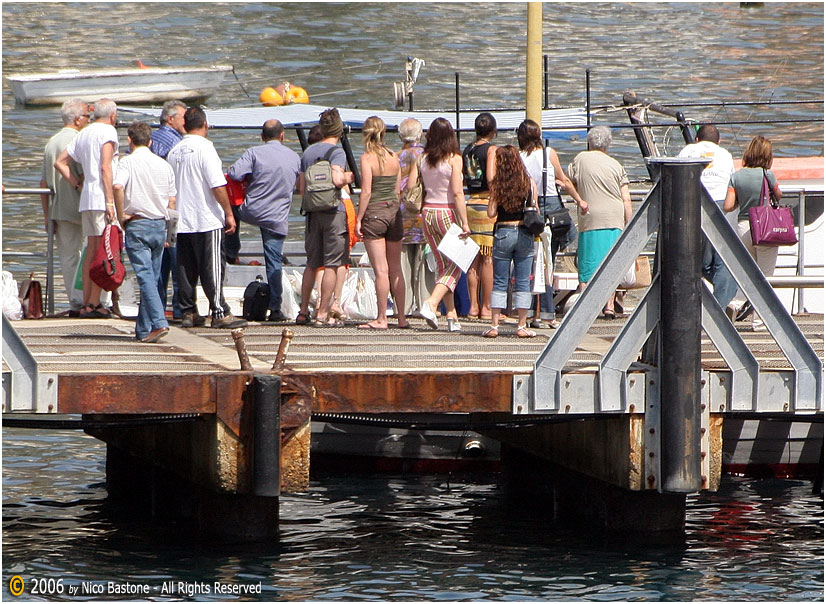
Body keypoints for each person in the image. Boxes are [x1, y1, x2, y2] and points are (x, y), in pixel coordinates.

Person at [166, 106, 247, 329]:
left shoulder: (175, 151)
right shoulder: (205, 148)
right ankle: (219, 311)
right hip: (205, 217)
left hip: (182, 219)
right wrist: (229, 213)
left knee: (185, 268)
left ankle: (188, 311)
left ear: (184, 125)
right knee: (212, 267)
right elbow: (217, 184)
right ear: (205, 125)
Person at [227, 119, 301, 322]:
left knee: (229, 208)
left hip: (251, 211)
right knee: (274, 261)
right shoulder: (294, 157)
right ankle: (275, 308)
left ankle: (231, 250)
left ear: (262, 136)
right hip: (276, 217)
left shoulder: (254, 153)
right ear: (282, 135)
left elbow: (234, 173)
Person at [517, 118, 587, 328]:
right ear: (538, 135)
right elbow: (564, 181)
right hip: (552, 210)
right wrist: (580, 200)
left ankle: (529, 313)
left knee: (529, 261)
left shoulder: (519, 157)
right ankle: (547, 314)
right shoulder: (549, 154)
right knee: (548, 260)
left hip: (529, 209)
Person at [54, 98, 120, 319]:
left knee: (92, 250)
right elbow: (105, 167)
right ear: (112, 115)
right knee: (104, 249)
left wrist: (77, 183)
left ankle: (86, 302)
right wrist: (110, 201)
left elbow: (60, 161)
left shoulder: (84, 133)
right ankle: (95, 303)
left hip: (87, 197)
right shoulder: (108, 133)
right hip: (101, 197)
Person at [113, 121, 176, 343]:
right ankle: (143, 330)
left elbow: (118, 187)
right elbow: (172, 200)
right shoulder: (164, 165)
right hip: (159, 224)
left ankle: (159, 323)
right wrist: (170, 232)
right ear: (150, 141)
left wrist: (121, 215)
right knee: (153, 278)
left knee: (145, 276)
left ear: (130, 140)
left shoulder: (126, 162)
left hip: (137, 223)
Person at [405, 117, 470, 331]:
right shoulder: (454, 159)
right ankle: (432, 303)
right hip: (447, 212)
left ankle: (451, 316)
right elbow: (458, 193)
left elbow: (412, 184)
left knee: (443, 265)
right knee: (455, 264)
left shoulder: (423, 158)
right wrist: (465, 222)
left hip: (427, 213)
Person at [296, 108, 355, 327]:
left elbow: (301, 187)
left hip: (312, 212)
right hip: (333, 211)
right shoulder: (337, 152)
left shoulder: (308, 153)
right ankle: (322, 312)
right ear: (339, 129)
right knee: (332, 263)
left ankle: (303, 311)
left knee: (312, 263)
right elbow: (338, 179)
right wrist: (349, 176)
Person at [568, 126, 632, 319]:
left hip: (591, 217)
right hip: (614, 216)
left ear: (589, 142)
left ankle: (585, 305)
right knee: (610, 263)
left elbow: (567, 180)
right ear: (608, 144)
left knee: (588, 262)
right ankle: (609, 306)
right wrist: (629, 223)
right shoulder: (616, 165)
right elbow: (626, 198)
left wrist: (579, 197)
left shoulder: (580, 159)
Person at [723, 135, 784, 331]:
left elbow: (728, 205)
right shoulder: (768, 175)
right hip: (765, 228)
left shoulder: (737, 176)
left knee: (748, 274)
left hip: (743, 227)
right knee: (766, 276)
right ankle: (759, 322)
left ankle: (734, 304)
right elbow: (779, 195)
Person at [355, 116, 407, 330]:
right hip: (393, 212)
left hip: (375, 213)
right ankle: (402, 318)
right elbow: (397, 190)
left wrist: (359, 219)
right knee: (396, 269)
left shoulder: (367, 158)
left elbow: (366, 191)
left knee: (381, 270)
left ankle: (381, 318)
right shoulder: (394, 156)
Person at [678, 124, 737, 310]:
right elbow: (731, 183)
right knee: (722, 262)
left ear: (697, 139)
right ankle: (719, 308)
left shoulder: (688, 150)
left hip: (692, 204)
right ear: (718, 142)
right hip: (719, 206)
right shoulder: (725, 155)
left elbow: (677, 175)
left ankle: (690, 306)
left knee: (693, 258)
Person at [40, 98, 90, 315]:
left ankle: (74, 300)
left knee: (68, 257)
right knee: (88, 253)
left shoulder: (52, 142)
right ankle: (89, 298)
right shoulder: (78, 140)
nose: (89, 120)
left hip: (58, 208)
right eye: (88, 116)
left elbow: (43, 183)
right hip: (81, 205)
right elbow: (84, 173)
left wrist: (46, 215)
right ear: (78, 119)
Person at [483, 145, 539, 338]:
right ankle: (522, 326)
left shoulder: (498, 184)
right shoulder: (529, 182)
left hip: (503, 232)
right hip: (524, 232)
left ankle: (494, 325)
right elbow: (535, 209)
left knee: (500, 281)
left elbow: (491, 213)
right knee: (523, 281)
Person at [150, 100, 187, 321]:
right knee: (176, 260)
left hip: (152, 208)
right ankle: (180, 309)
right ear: (170, 119)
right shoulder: (173, 142)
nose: (186, 121)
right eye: (183, 117)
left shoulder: (153, 139)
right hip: (170, 208)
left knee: (158, 265)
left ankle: (157, 309)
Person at [462, 112, 498, 320]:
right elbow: (492, 177)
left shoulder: (468, 149)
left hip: (471, 202)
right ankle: (486, 307)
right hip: (486, 202)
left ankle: (473, 306)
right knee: (487, 258)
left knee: (473, 259)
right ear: (493, 131)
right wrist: (495, 199)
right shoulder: (491, 149)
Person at [397, 117, 430, 317]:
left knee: (403, 263)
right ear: (420, 134)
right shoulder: (426, 155)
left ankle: (405, 305)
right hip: (422, 212)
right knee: (424, 263)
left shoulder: (395, 156)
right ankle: (425, 304)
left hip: (401, 214)